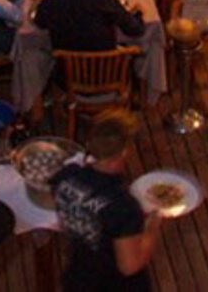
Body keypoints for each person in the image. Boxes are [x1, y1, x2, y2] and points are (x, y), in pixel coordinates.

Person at [51, 109, 163, 291]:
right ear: (124, 151)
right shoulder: (123, 206)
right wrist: (152, 226)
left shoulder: (65, 176)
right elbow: (129, 266)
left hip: (78, 276)